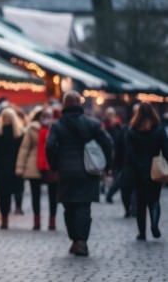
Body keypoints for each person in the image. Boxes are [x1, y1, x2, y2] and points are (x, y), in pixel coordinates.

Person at [46, 91, 113, 257]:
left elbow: (49, 146)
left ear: (64, 105)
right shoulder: (92, 123)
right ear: (79, 104)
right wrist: (106, 165)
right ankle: (81, 242)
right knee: (84, 206)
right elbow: (108, 142)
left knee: (69, 207)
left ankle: (75, 240)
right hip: (88, 171)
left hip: (66, 172)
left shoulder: (58, 125)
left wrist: (55, 165)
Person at [120, 103, 168, 240]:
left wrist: (138, 166)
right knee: (154, 200)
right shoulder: (159, 130)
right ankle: (154, 224)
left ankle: (142, 233)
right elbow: (166, 150)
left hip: (138, 171)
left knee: (141, 202)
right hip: (155, 169)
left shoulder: (131, 131)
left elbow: (129, 152)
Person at [16, 107, 59, 230]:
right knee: (35, 195)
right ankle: (37, 221)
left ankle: (52, 221)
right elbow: (24, 148)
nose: (46, 118)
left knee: (53, 195)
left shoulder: (56, 128)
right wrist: (20, 166)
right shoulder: (32, 128)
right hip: (34, 165)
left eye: (48, 116)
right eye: (43, 116)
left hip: (51, 165)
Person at [0, 108, 25, 229]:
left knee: (3, 195)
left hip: (1, 167)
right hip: (16, 167)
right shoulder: (20, 133)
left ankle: (4, 219)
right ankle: (17, 209)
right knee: (16, 191)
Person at [103, 107, 134, 218]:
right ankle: (109, 194)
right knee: (120, 182)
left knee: (121, 182)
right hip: (114, 157)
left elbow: (118, 141)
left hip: (118, 158)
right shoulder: (105, 126)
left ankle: (109, 195)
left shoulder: (119, 127)